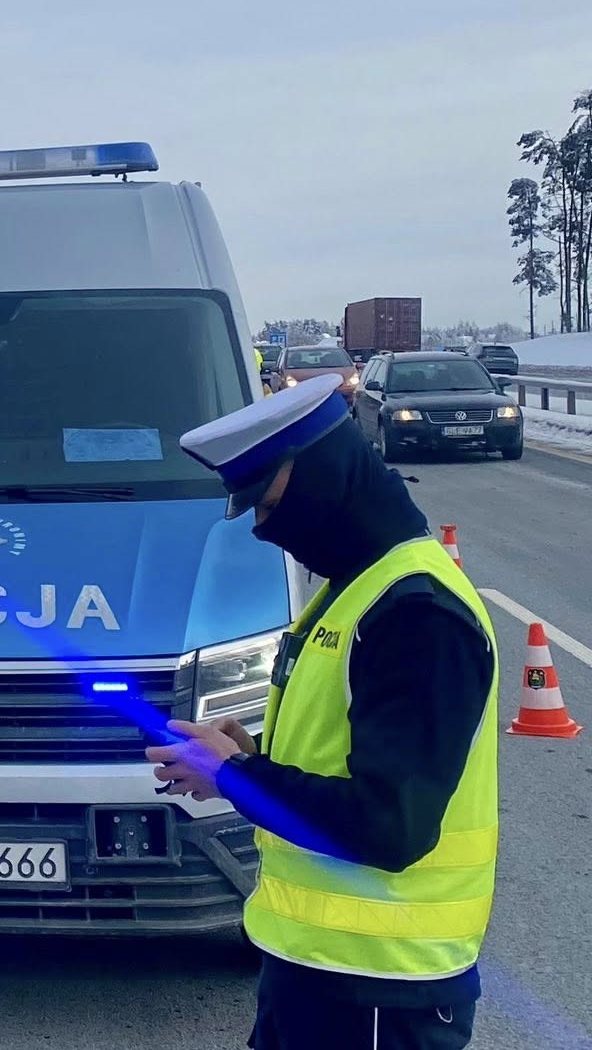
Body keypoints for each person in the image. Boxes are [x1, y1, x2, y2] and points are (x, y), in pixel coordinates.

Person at [149, 373, 497, 1050]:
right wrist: (243, 760)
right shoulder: (356, 588)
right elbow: (340, 755)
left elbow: (391, 824)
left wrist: (236, 779)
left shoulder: (415, 612)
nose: (264, 529)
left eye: (271, 503)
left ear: (327, 478)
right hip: (316, 972)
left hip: (380, 993)